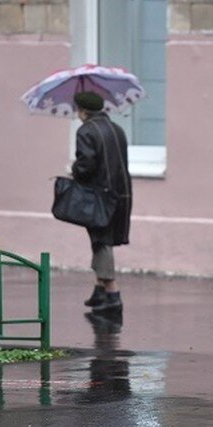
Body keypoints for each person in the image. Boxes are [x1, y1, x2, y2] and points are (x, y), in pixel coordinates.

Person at [71, 91, 132, 313]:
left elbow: (86, 166)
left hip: (99, 195)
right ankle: (99, 292)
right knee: (102, 238)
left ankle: (113, 293)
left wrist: (74, 170)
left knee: (101, 241)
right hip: (121, 192)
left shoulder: (86, 130)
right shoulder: (117, 129)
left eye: (77, 109)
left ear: (83, 110)